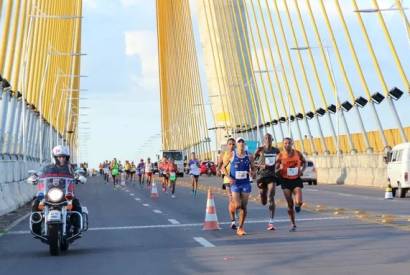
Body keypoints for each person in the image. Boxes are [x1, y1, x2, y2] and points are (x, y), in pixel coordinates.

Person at [31, 145, 82, 235]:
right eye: (59, 157)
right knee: (36, 202)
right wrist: (34, 176)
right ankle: (36, 227)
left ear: (67, 157)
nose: (62, 159)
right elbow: (40, 173)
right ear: (55, 157)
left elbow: (77, 172)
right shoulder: (48, 167)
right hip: (50, 192)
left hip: (66, 193)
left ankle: (77, 228)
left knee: (76, 204)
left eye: (64, 157)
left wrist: (79, 176)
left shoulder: (70, 168)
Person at [223, 137, 254, 236]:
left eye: (242, 141)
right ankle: (233, 204)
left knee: (244, 207)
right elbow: (223, 168)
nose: (241, 143)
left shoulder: (249, 156)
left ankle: (240, 227)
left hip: (245, 183)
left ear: (244, 144)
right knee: (237, 205)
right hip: (235, 183)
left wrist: (253, 173)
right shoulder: (232, 154)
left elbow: (253, 169)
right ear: (237, 144)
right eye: (239, 142)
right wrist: (229, 177)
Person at [276, 137, 306, 232]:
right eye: (285, 143)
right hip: (285, 180)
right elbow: (275, 168)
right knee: (290, 204)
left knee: (299, 201)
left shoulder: (298, 153)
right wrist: (278, 169)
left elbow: (304, 162)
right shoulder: (280, 155)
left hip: (296, 179)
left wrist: (301, 170)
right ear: (283, 144)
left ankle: (298, 206)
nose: (287, 145)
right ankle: (293, 224)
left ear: (292, 143)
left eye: (289, 143)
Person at [254, 133, 281, 231]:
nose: (268, 140)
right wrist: (261, 166)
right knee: (264, 200)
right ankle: (262, 195)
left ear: (272, 139)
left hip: (272, 175)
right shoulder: (260, 150)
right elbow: (253, 161)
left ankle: (271, 221)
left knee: (271, 196)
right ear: (263, 140)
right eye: (266, 138)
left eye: (269, 138)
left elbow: (280, 160)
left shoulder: (276, 150)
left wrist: (278, 165)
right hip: (261, 175)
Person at [217, 138, 237, 230]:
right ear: (227, 145)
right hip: (227, 178)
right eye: (230, 144)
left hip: (237, 178)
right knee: (231, 198)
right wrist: (218, 170)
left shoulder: (237, 153)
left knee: (237, 198)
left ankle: (235, 210)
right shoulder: (224, 154)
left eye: (233, 144)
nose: (231, 146)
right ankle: (233, 221)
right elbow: (220, 165)